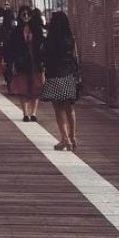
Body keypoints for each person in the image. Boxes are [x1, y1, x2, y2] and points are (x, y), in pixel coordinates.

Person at [41, 11, 81, 150]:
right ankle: (73, 136)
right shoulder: (71, 38)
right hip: (69, 74)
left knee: (58, 108)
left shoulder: (50, 39)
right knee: (69, 107)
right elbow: (75, 57)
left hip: (54, 75)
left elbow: (45, 57)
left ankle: (65, 139)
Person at [6, 5, 45, 122]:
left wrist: (43, 61)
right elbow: (11, 48)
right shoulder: (16, 31)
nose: (26, 16)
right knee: (22, 88)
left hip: (35, 62)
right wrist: (12, 63)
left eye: (28, 14)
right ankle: (25, 113)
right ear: (20, 16)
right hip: (21, 62)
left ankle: (33, 113)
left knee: (36, 88)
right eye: (23, 14)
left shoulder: (37, 30)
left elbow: (42, 46)